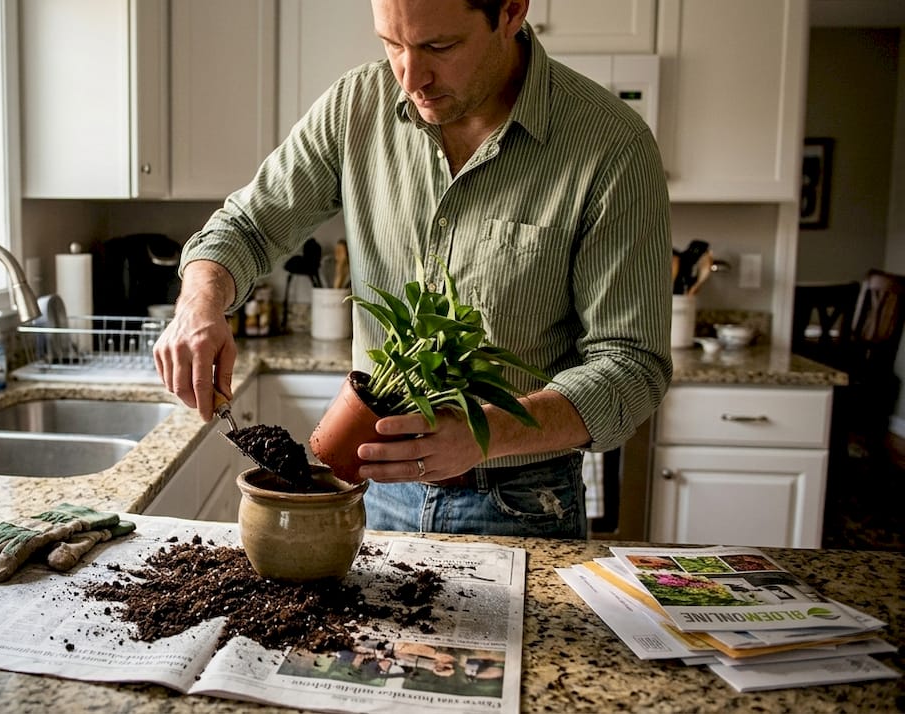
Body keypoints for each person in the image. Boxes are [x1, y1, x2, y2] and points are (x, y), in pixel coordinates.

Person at [152, 0, 672, 538]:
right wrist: (199, 303)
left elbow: (633, 366)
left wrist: (483, 432)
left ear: (512, 12)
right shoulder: (356, 105)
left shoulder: (611, 145)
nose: (411, 77)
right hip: (368, 493)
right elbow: (247, 227)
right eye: (392, 44)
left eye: (439, 48)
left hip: (520, 503)